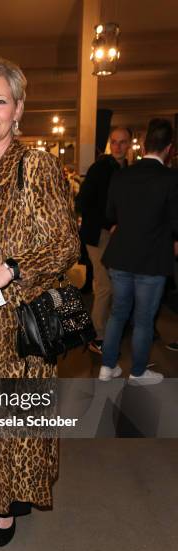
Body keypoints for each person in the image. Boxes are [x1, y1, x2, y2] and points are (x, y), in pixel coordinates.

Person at [0, 56, 80, 546]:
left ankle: (4, 505)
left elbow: (65, 243)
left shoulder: (35, 163)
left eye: (0, 100)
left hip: (13, 320)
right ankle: (4, 488)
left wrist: (11, 269)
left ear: (19, 109)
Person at [99, 119, 178, 384]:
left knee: (118, 313)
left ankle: (107, 367)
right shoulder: (171, 179)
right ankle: (138, 372)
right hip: (152, 260)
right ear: (169, 148)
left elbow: (110, 214)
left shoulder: (122, 174)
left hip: (120, 256)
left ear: (143, 145)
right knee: (143, 319)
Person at [78, 127, 132, 353]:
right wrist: (108, 223)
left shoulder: (126, 168)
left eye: (122, 142)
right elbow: (82, 202)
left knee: (112, 284)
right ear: (110, 143)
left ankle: (106, 331)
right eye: (114, 142)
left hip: (116, 235)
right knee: (104, 285)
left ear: (130, 143)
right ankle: (96, 336)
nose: (118, 146)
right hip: (98, 235)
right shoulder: (101, 167)